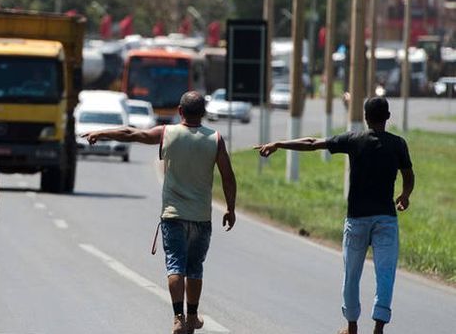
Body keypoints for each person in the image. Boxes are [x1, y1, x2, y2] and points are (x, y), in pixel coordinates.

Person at [255, 97, 414, 334]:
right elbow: (408, 175)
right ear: (388, 117)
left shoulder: (353, 139)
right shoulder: (398, 144)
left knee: (351, 274)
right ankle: (379, 328)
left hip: (357, 219)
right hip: (386, 219)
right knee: (386, 274)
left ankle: (351, 327)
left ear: (365, 117)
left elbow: (311, 143)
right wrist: (404, 195)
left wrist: (279, 143)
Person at [82, 91, 237, 334]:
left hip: (173, 215)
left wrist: (101, 133)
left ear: (180, 111)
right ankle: (193, 316)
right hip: (200, 217)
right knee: (195, 267)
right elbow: (228, 177)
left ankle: (178, 317)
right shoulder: (215, 139)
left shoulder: (167, 133)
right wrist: (230, 208)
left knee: (175, 265)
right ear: (204, 113)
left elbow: (132, 133)